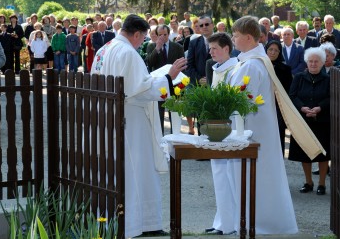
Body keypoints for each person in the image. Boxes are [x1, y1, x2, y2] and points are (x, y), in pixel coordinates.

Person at [91, 14, 187, 238]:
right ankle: (140, 224)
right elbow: (142, 91)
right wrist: (169, 77)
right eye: (143, 37)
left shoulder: (104, 49)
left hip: (107, 116)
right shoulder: (128, 53)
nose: (142, 42)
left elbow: (130, 84)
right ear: (136, 34)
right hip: (130, 119)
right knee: (137, 169)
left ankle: (120, 220)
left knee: (117, 171)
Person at [216, 16, 297, 234]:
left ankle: (257, 221)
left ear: (249, 37)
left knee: (255, 178)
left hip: (250, 131)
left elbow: (242, 99)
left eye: (235, 36)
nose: (232, 39)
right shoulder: (251, 61)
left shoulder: (252, 65)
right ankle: (241, 218)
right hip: (250, 128)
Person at [205, 32, 239, 235]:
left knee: (228, 176)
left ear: (227, 49)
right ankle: (222, 221)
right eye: (210, 49)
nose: (211, 52)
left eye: (215, 48)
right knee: (219, 175)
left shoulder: (234, 69)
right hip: (215, 126)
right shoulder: (216, 67)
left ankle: (231, 222)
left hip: (229, 127)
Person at [289, 47, 330, 195]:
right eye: (311, 61)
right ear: (307, 62)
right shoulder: (299, 77)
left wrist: (320, 108)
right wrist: (302, 108)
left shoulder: (328, 79)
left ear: (322, 63)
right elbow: (292, 96)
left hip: (322, 120)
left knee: (322, 152)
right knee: (304, 152)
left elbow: (331, 98)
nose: (313, 64)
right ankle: (308, 182)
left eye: (316, 61)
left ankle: (322, 183)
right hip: (303, 120)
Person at [146, 24, 184, 132]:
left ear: (169, 34)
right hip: (158, 84)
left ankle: (175, 134)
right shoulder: (151, 46)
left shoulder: (177, 47)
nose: (162, 37)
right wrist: (157, 48)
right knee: (159, 113)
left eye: (165, 34)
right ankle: (159, 136)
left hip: (175, 84)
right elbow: (150, 63)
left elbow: (182, 65)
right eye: (160, 35)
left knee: (175, 112)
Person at [265, 40, 292, 154]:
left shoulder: (285, 69)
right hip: (262, 104)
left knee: (278, 132)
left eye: (276, 50)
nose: (273, 52)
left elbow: (288, 90)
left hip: (278, 106)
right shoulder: (259, 65)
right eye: (270, 49)